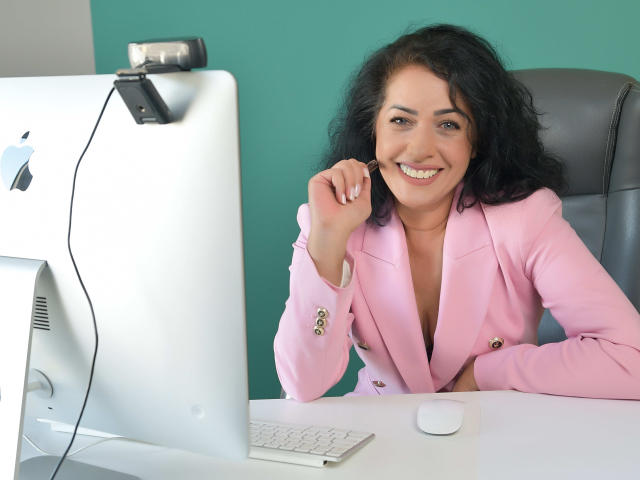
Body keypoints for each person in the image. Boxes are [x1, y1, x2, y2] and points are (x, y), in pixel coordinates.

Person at [274, 24, 640, 402]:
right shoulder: (334, 222)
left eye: (448, 124)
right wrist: (328, 241)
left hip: (496, 427)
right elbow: (303, 384)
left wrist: (491, 372)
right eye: (401, 120)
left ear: (477, 140)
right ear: (373, 129)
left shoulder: (526, 218)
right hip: (381, 428)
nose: (420, 149)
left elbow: (632, 358)